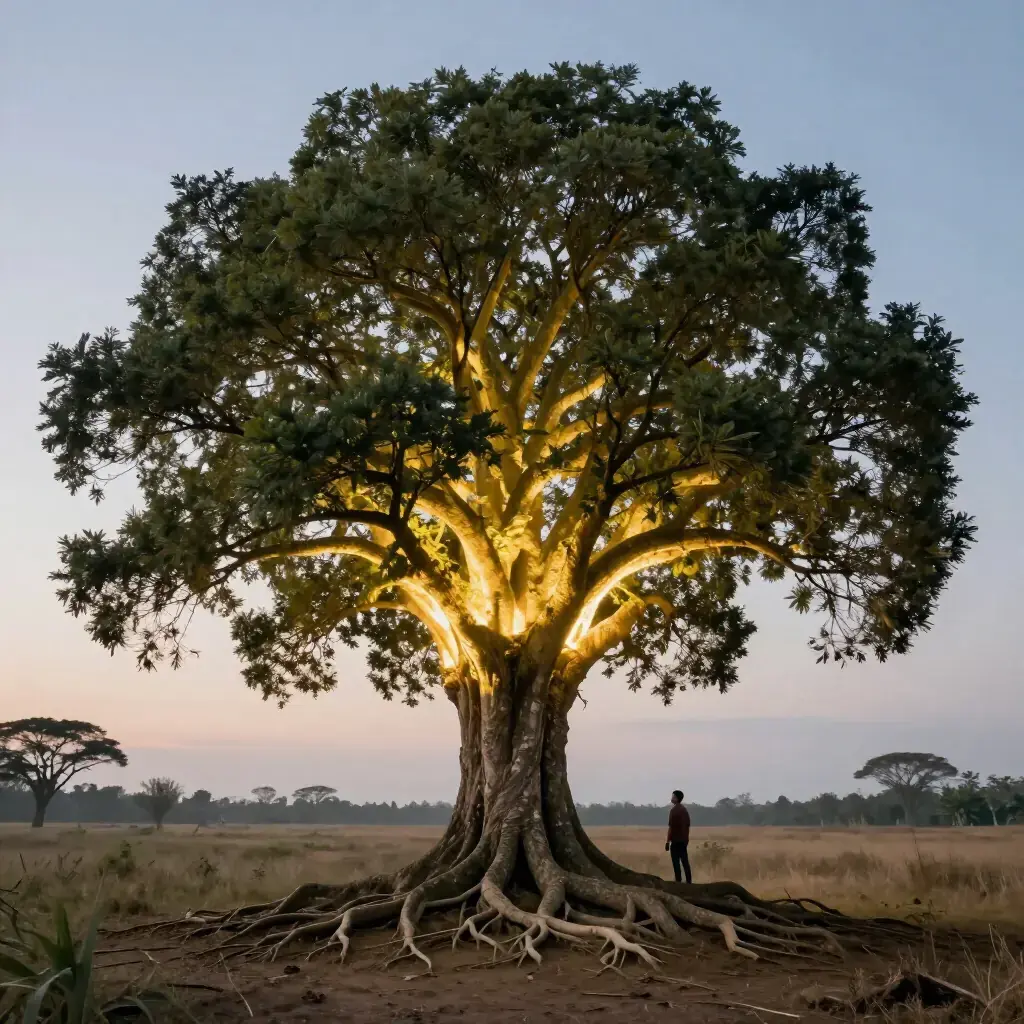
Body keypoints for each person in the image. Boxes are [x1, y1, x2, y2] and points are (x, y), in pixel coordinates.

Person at [665, 789, 692, 884]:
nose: (671, 798)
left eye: (673, 796)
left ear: (677, 798)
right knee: (685, 861)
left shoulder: (673, 810)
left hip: (675, 841)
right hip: (683, 841)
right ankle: (689, 881)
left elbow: (671, 828)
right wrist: (686, 840)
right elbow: (687, 826)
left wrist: (668, 841)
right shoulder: (684, 810)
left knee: (676, 862)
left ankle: (678, 881)